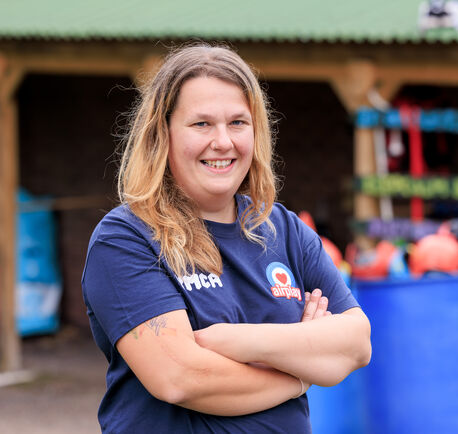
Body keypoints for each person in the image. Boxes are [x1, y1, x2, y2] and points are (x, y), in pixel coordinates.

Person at [81, 44, 371, 433]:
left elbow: (356, 344)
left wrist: (235, 341)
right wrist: (301, 369)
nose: (223, 142)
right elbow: (180, 377)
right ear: (162, 134)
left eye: (238, 122)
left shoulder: (284, 230)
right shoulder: (127, 239)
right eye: (201, 124)